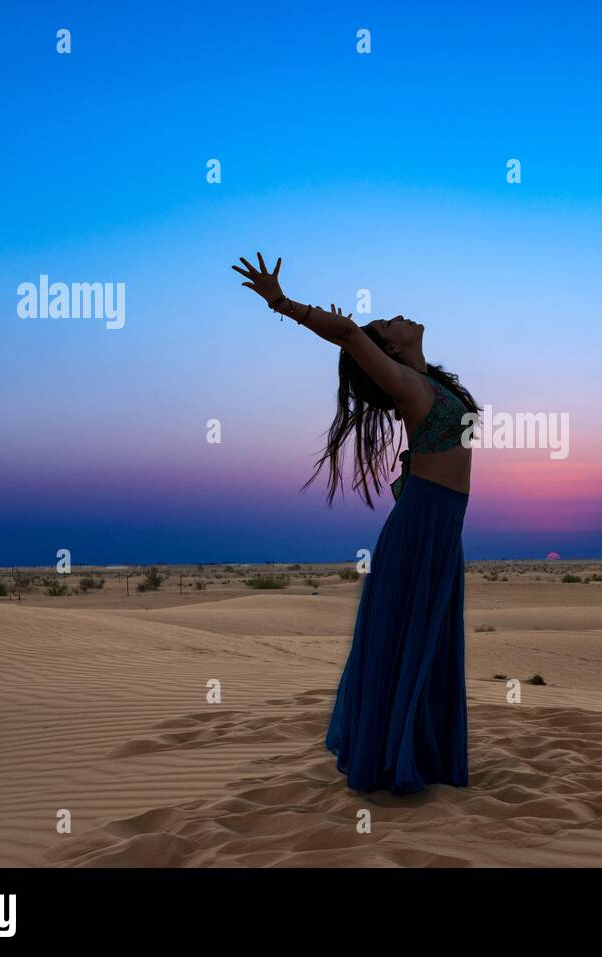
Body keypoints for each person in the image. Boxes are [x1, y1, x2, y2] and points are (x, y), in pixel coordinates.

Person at [232, 253, 478, 795]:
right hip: (423, 523)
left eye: (389, 320)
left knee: (429, 637)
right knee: (406, 633)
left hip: (441, 525)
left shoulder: (429, 382)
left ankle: (416, 751)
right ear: (387, 349)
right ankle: (393, 759)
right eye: (387, 324)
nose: (398, 318)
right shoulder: (406, 386)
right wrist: (280, 301)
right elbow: (346, 333)